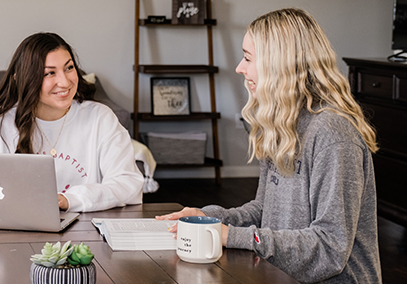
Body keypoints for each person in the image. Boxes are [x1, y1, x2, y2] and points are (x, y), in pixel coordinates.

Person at [157, 8, 382, 283]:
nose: (240, 67)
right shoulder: (284, 123)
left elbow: (329, 248)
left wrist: (231, 235)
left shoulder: (333, 135)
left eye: (248, 58)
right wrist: (209, 218)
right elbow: (264, 212)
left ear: (280, 64)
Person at [0, 32, 143, 212]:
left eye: (69, 68)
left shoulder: (100, 118)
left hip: (87, 233)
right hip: (13, 230)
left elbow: (128, 184)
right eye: (50, 73)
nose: (65, 82)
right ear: (21, 79)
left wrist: (69, 200)